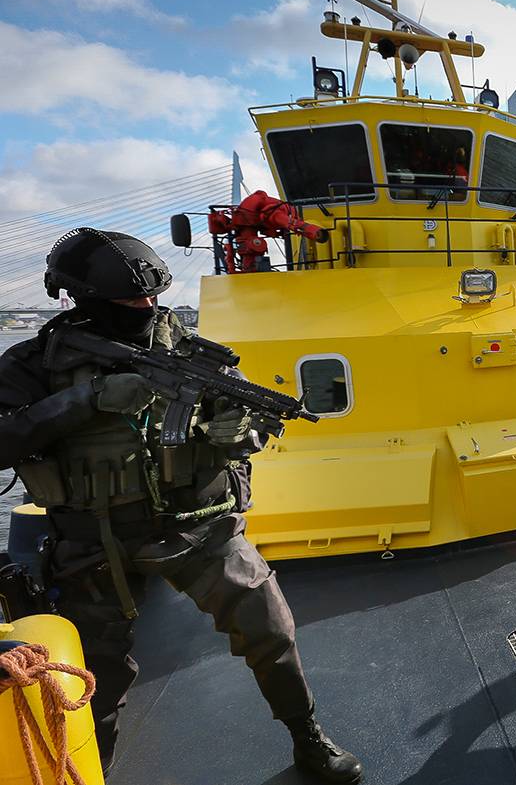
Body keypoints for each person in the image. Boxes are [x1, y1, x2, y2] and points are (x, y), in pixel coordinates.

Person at [0, 228, 362, 783]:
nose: (145, 308)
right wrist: (87, 399)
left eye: (151, 296)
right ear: (83, 299)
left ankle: (307, 735)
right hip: (94, 540)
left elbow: (250, 428)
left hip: (200, 525)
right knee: (94, 670)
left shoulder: (190, 354)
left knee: (270, 630)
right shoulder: (34, 364)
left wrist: (237, 433)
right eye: (128, 301)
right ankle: (91, 766)